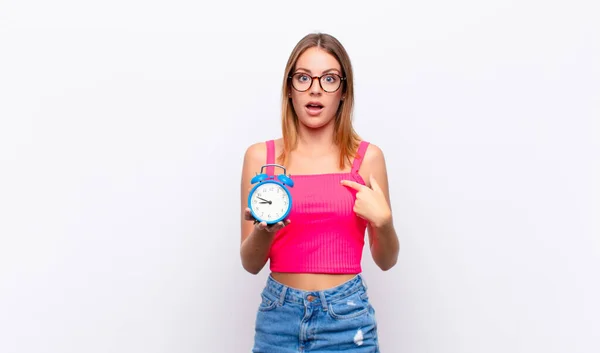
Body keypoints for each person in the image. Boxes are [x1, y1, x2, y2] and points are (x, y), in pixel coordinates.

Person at [239, 32, 400, 352]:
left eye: (329, 79)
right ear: (289, 89)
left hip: (346, 317)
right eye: (303, 78)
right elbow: (250, 263)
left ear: (343, 91)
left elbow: (386, 260)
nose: (315, 89)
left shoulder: (367, 158)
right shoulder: (262, 159)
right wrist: (264, 230)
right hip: (278, 317)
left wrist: (384, 222)